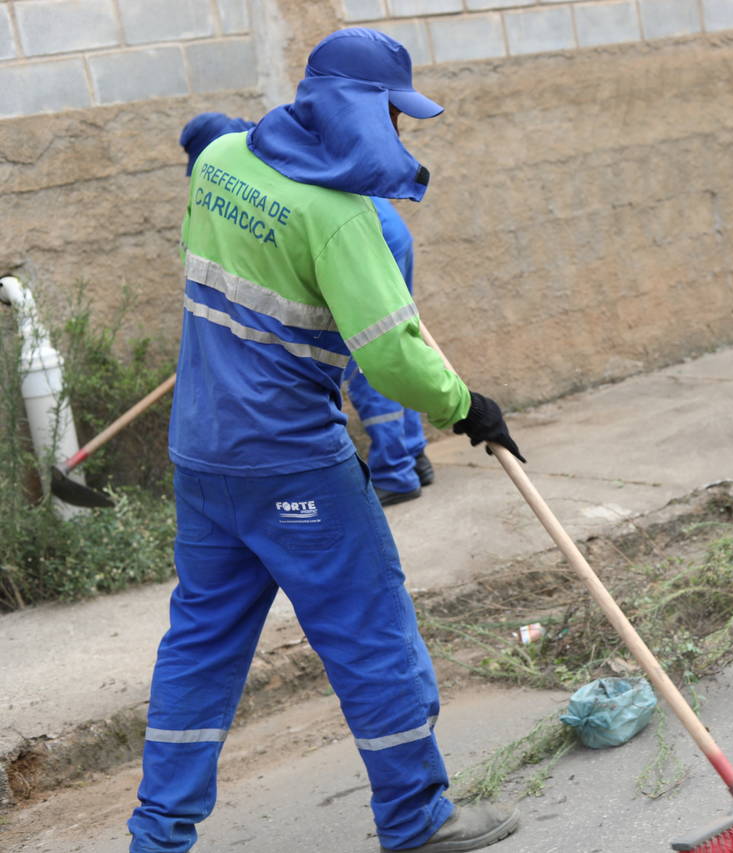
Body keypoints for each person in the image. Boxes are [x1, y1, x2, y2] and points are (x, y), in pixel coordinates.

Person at [129, 28, 522, 853]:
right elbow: (390, 359)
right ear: (359, 110)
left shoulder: (220, 162)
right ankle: (416, 817)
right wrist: (467, 406)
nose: (400, 129)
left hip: (200, 456)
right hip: (293, 462)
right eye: (393, 112)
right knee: (369, 632)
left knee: (200, 646)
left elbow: (225, 195)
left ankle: (157, 836)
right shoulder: (345, 220)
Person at [180, 114, 436, 508]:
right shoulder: (272, 142)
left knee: (369, 356)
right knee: (400, 338)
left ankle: (396, 472)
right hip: (386, 229)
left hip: (365, 239)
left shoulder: (243, 169)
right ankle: (414, 453)